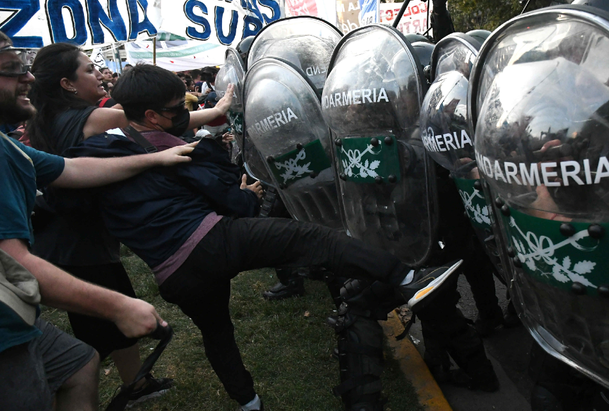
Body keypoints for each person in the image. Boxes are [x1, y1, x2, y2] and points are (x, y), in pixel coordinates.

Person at [67, 64, 462, 411]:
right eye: (179, 111)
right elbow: (237, 205)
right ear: (152, 116)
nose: (187, 116)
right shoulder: (185, 153)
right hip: (212, 241)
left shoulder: (102, 156)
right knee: (314, 239)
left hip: (173, 276)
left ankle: (248, 401)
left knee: (217, 333)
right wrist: (246, 193)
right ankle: (407, 280)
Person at [22, 43, 233, 403]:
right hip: (80, 240)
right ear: (67, 84)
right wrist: (220, 108)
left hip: (61, 236)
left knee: (98, 317)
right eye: (89, 70)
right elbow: (158, 120)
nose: (99, 74)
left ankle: (134, 382)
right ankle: (122, 384)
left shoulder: (46, 118)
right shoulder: (91, 118)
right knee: (110, 315)